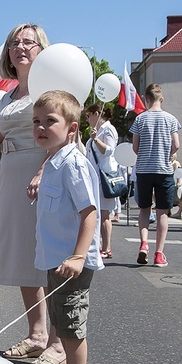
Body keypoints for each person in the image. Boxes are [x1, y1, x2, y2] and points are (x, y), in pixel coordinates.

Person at [0, 23, 67, 364]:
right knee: (23, 253)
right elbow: (1, 153)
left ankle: (57, 342)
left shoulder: (50, 89)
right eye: (15, 43)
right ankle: (37, 333)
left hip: (44, 177)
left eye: (29, 42)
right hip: (11, 177)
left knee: (50, 257)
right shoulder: (4, 98)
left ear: (42, 49)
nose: (21, 47)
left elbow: (64, 138)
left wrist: (44, 171)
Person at [31, 90, 103, 364]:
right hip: (56, 259)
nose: (41, 127)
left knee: (72, 327)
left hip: (72, 262)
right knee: (61, 322)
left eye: (50, 121)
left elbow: (89, 213)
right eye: (36, 122)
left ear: (72, 128)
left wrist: (78, 255)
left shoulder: (73, 163)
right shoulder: (53, 162)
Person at [130, 84, 180, 267]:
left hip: (144, 170)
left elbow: (135, 147)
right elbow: (176, 144)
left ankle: (144, 244)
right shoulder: (171, 119)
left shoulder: (140, 120)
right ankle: (159, 254)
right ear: (162, 99)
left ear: (146, 99)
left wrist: (145, 154)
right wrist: (169, 154)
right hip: (164, 171)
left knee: (144, 210)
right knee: (162, 213)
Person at [84, 104, 119, 259]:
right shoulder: (98, 131)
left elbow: (109, 150)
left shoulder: (108, 129)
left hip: (104, 176)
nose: (87, 119)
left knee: (104, 213)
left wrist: (96, 139)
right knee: (97, 212)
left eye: (88, 115)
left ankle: (106, 247)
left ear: (96, 114)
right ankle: (98, 245)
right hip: (95, 176)